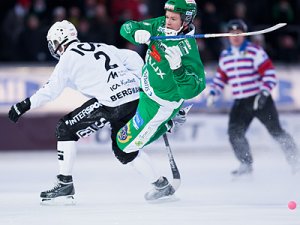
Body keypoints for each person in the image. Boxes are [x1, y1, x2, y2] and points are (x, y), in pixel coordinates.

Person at [8, 20, 186, 204]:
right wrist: (140, 81)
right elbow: (133, 58)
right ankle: (161, 185)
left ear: (59, 40)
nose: (53, 48)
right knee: (124, 150)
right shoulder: (101, 46)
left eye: (53, 43)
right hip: (135, 97)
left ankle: (64, 184)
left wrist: (23, 106)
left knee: (65, 129)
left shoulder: (67, 58)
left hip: (113, 104)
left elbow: (50, 91)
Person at [116, 0, 206, 200]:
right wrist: (135, 32)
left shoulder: (188, 49)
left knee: (123, 145)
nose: (167, 22)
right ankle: (170, 122)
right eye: (167, 17)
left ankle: (168, 123)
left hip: (157, 106)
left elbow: (194, 88)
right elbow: (126, 27)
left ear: (186, 21)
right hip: (143, 88)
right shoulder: (159, 25)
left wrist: (179, 70)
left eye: (173, 19)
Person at [206, 19, 300, 176]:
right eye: (232, 34)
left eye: (239, 33)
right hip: (241, 102)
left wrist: (264, 92)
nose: (235, 37)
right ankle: (245, 164)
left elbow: (269, 73)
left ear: (245, 34)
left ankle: (295, 161)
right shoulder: (225, 55)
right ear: (227, 36)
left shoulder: (254, 51)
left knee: (276, 131)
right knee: (235, 133)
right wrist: (214, 92)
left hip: (260, 99)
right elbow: (221, 77)